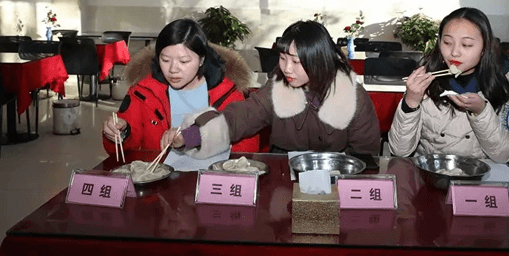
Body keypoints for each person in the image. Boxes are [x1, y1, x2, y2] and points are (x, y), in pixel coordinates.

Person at [159, 20, 381, 158]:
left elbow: (365, 153)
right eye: (283, 58)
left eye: (296, 61)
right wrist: (188, 136)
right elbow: (239, 118)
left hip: (334, 172)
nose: (287, 68)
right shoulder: (279, 87)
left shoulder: (351, 95)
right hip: (283, 170)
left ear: (317, 60)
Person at [102, 19, 261, 155]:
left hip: (211, 176)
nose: (173, 69)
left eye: (184, 61)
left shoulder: (227, 93)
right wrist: (121, 134)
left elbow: (247, 147)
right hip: (159, 177)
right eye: (165, 60)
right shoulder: (143, 92)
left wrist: (191, 138)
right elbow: (122, 152)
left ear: (201, 60)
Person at [388, 7, 509, 162]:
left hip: (480, 173)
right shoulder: (425, 79)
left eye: (466, 45)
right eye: (447, 42)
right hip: (429, 170)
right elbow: (399, 151)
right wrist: (411, 102)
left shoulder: (502, 81)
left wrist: (481, 112)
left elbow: (505, 155)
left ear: (484, 48)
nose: (454, 52)